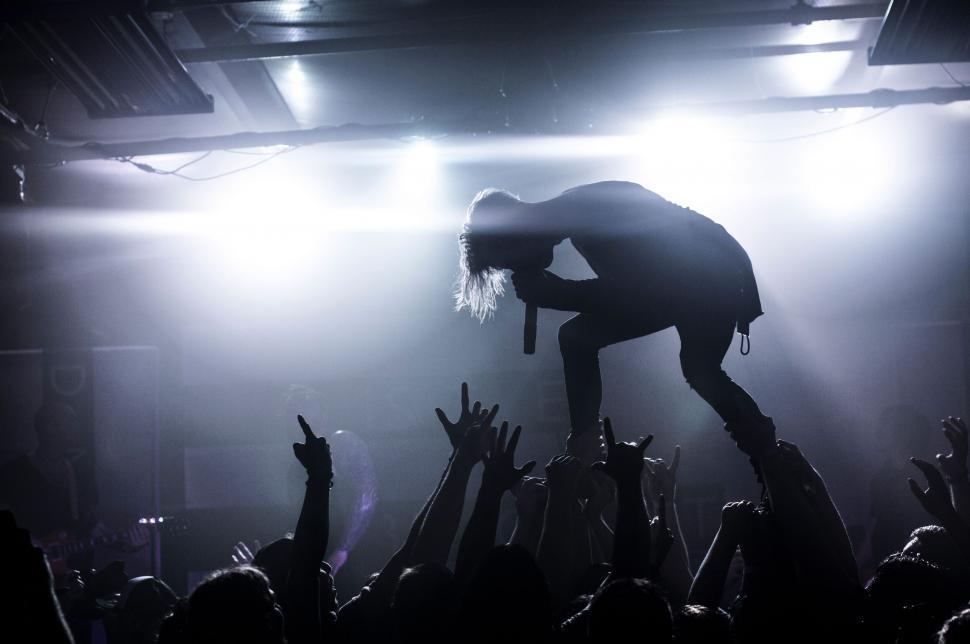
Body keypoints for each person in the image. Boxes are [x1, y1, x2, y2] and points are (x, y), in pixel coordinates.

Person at [455, 181, 770, 449]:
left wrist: (560, 294)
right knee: (698, 368)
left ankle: (769, 453)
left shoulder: (585, 215)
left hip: (707, 278)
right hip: (699, 279)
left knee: (698, 368)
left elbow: (643, 290)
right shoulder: (576, 214)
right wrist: (560, 294)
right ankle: (585, 445)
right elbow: (642, 291)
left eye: (510, 261)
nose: (517, 269)